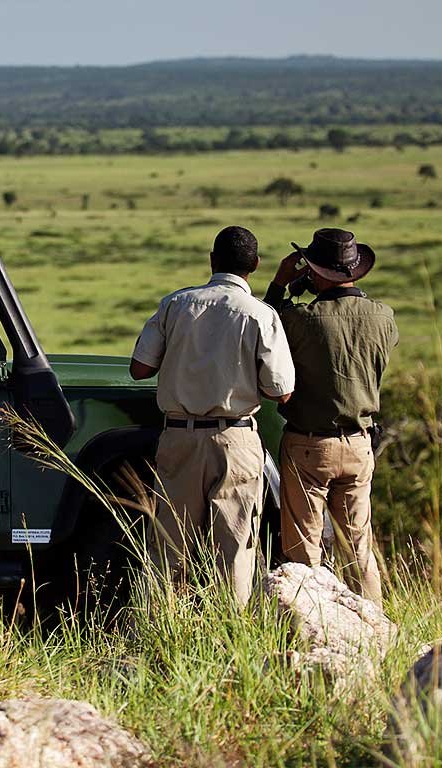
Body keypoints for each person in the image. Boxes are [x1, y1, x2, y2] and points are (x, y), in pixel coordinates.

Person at [130, 226, 295, 607]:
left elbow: (139, 369)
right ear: (254, 265)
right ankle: (230, 634)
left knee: (168, 545)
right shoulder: (260, 314)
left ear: (212, 260)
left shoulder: (176, 304)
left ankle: (159, 630)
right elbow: (281, 390)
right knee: (235, 548)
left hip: (179, 437)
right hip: (235, 439)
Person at [263, 228, 397, 605]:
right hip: (360, 444)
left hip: (309, 445)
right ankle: (370, 622)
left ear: (316, 271)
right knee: (358, 550)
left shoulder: (302, 319)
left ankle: (311, 628)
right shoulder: (383, 316)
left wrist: (281, 284)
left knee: (304, 552)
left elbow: (264, 327)